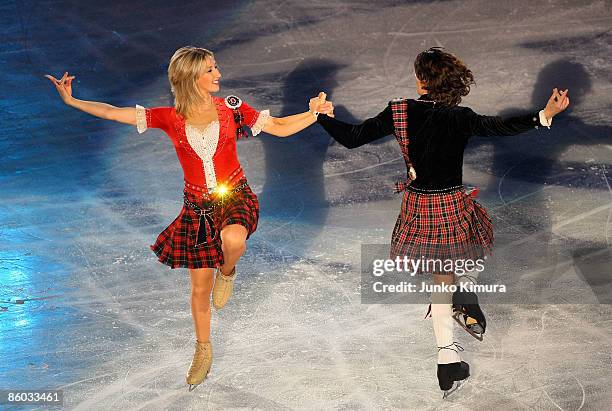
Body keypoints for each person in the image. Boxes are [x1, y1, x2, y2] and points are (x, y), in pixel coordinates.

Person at [45, 46, 334, 391]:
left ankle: (228, 271)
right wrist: (72, 101)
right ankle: (203, 348)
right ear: (191, 78)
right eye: (210, 70)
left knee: (233, 240)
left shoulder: (231, 108)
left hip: (235, 196)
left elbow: (279, 126)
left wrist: (314, 113)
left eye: (216, 68)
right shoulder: (169, 117)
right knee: (200, 290)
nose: (218, 75)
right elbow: (111, 113)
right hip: (197, 209)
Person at [315, 47, 569, 398]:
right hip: (451, 203)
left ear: (422, 81)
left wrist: (322, 115)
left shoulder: (400, 111)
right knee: (478, 238)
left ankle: (447, 358)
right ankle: (464, 290)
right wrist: (543, 114)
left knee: (440, 278)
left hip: (419, 206)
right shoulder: (460, 117)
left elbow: (353, 137)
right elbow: (500, 126)